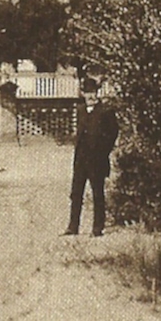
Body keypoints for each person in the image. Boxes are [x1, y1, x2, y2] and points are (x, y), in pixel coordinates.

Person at [63, 76, 118, 237]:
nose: (91, 96)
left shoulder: (105, 112)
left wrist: (104, 151)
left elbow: (113, 133)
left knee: (97, 194)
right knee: (76, 193)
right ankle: (73, 227)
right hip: (81, 160)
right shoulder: (80, 110)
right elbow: (79, 135)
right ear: (82, 93)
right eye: (87, 92)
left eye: (93, 92)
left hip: (97, 160)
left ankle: (97, 228)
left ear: (97, 93)